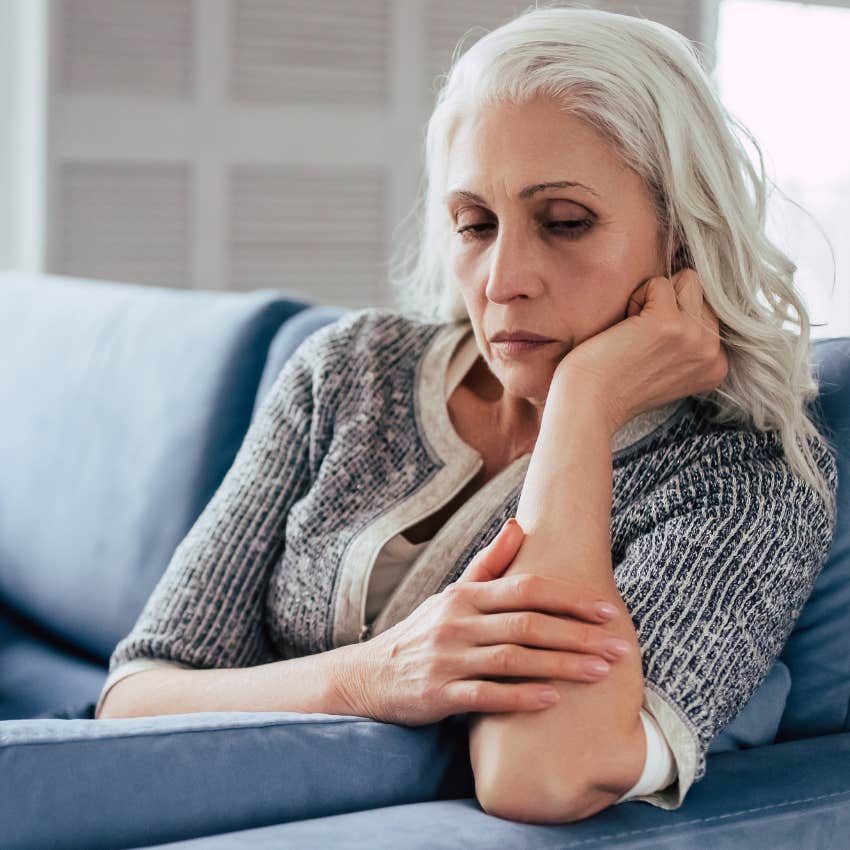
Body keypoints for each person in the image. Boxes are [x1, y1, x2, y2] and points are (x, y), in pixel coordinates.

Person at [92, 4, 838, 824]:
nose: (501, 278)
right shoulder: (350, 371)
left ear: (684, 238)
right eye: (475, 224)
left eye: (565, 223)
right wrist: (373, 676)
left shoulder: (744, 478)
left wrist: (583, 408)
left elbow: (540, 774)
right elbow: (134, 699)